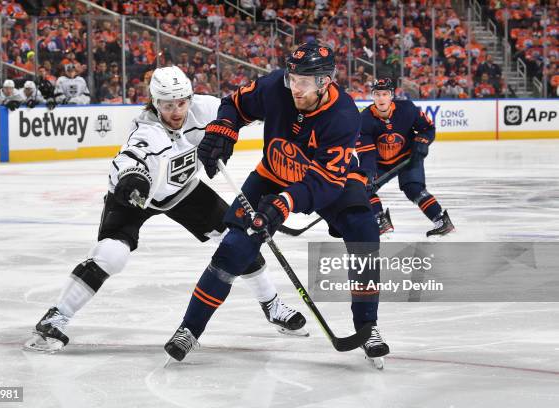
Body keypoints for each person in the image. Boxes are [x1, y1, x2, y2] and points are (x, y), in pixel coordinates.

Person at [24, 66, 306, 353]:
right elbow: (129, 158)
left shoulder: (206, 108)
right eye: (167, 105)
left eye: (182, 103)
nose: (176, 111)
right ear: (154, 103)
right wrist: (132, 180)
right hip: (140, 197)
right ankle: (57, 316)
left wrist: (233, 129)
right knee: (112, 254)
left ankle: (271, 304)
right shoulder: (148, 131)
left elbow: (242, 108)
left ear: (190, 98)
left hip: (184, 192)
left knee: (239, 239)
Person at [164, 42, 389, 366]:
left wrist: (282, 205)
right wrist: (223, 127)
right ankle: (189, 329)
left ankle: (367, 327)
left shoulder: (343, 116)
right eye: (292, 79)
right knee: (234, 247)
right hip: (273, 174)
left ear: (325, 82)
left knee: (363, 232)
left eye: (303, 82)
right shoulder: (275, 85)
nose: (295, 87)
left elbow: (322, 184)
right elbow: (235, 104)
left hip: (330, 182)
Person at [360, 78, 454, 237]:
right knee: (362, 187)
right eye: (377, 94)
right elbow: (366, 151)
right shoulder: (364, 119)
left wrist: (422, 142)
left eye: (385, 94)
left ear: (391, 96)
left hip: (407, 157)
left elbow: (428, 128)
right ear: (372, 96)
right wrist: (368, 173)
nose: (381, 98)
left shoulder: (407, 109)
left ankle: (440, 220)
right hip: (381, 163)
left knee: (413, 189)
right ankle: (380, 220)